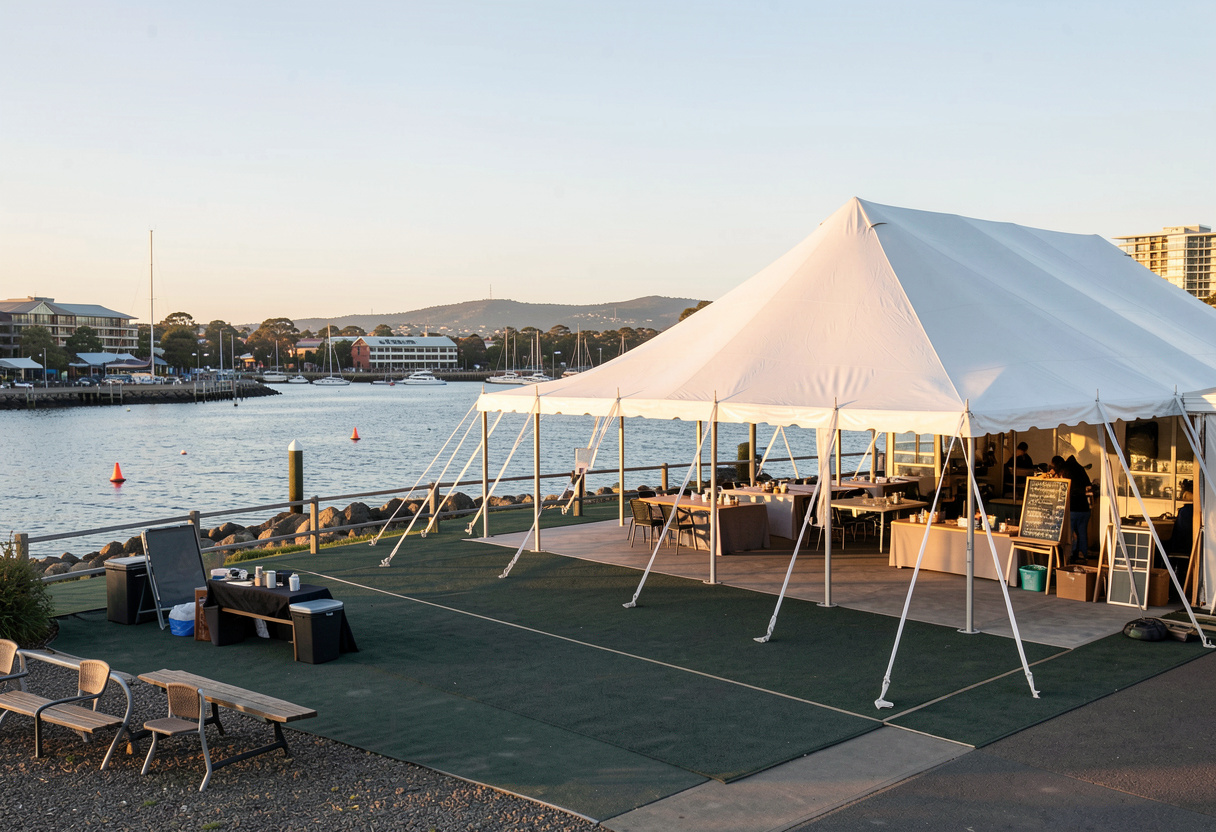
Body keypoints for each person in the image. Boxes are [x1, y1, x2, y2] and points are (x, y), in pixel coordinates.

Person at [1052, 454, 1092, 563]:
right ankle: (1083, 555)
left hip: (1073, 508)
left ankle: (1069, 557)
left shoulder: (1065, 471)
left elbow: (1062, 489)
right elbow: (1088, 485)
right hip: (1085, 509)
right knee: (1082, 532)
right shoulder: (1081, 470)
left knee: (1070, 534)